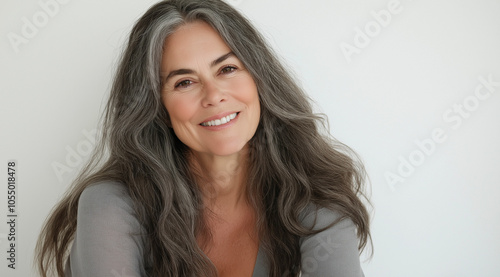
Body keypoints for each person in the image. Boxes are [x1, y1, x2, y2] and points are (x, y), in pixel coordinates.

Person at [36, 0, 372, 276]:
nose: (214, 96)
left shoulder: (315, 195)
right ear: (157, 107)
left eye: (227, 69)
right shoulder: (111, 203)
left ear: (259, 79)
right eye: (184, 82)